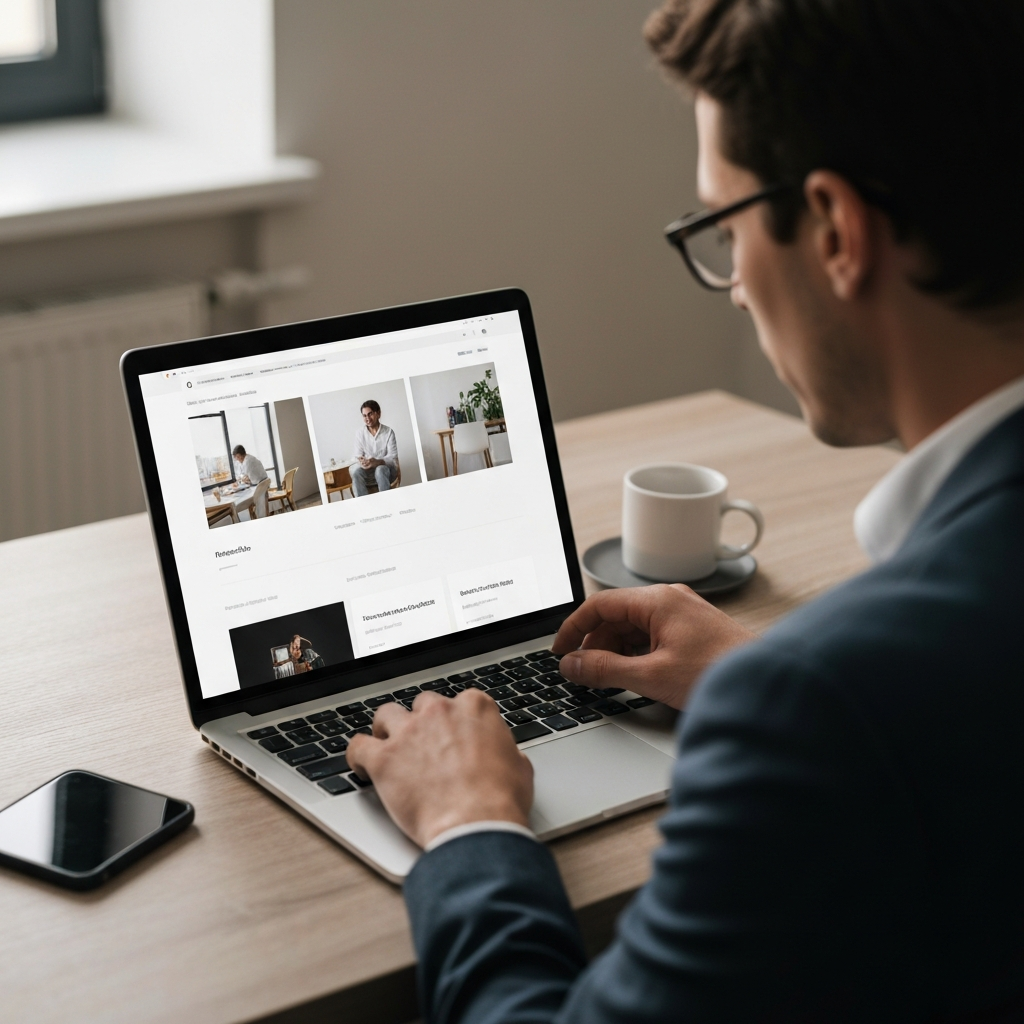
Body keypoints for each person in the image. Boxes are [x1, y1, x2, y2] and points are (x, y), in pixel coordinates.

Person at [346, 1, 1024, 1021]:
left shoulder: (826, 709)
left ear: (836, 230)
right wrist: (760, 678)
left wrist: (468, 823)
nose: (737, 289)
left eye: (724, 224)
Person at [351, 399, 399, 495]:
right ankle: (364, 505)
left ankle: (387, 501)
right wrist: (362, 461)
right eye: (364, 415)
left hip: (387, 471)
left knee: (380, 469)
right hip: (367, 473)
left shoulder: (389, 432)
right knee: (356, 473)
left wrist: (377, 462)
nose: (367, 418)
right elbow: (357, 455)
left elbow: (393, 458)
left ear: (378, 413)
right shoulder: (360, 433)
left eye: (370, 414)